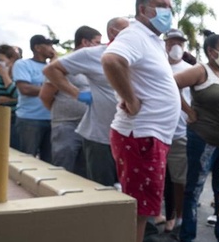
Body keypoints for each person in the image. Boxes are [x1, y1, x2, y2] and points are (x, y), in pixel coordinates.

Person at [101, 0, 180, 242]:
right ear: (142, 9)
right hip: (140, 136)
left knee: (141, 209)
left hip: (148, 136)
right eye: (161, 5)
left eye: (170, 6)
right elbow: (111, 60)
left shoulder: (151, 40)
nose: (167, 11)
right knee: (138, 211)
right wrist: (131, 100)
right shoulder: (135, 33)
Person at [174, 29, 219, 242]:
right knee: (194, 190)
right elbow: (171, 83)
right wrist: (189, 112)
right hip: (203, 140)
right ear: (211, 51)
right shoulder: (201, 71)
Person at [42, 18, 130, 186]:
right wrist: (77, 95)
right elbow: (47, 85)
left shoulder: (134, 55)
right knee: (75, 176)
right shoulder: (92, 55)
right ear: (112, 32)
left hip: (123, 133)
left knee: (109, 185)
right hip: (87, 132)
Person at [39, 26, 101, 177]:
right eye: (97, 42)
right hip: (66, 126)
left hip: (89, 126)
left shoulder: (95, 64)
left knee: (85, 172)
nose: (100, 46)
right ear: (85, 42)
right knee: (64, 169)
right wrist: (62, 114)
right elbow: (45, 96)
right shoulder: (63, 64)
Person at [161, 28, 192, 232]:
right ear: (165, 43)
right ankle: (164, 214)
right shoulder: (158, 65)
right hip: (157, 130)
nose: (176, 46)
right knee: (160, 178)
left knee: (179, 179)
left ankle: (179, 216)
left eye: (180, 42)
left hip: (180, 131)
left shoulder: (190, 68)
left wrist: (191, 115)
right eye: (172, 42)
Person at [12, 35, 58, 163]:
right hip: (30, 119)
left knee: (49, 161)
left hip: (51, 118)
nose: (52, 49)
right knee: (28, 159)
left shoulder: (53, 67)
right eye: (48, 45)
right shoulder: (23, 64)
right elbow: (25, 89)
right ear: (37, 48)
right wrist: (51, 89)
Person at [0, 44, 21, 148]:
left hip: (14, 117)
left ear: (11, 60)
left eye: (2, 59)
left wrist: (5, 76)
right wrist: (9, 99)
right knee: (0, 147)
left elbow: (17, 95)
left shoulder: (18, 75)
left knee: (14, 147)